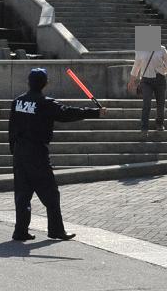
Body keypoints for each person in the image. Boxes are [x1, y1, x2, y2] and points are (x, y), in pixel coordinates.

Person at [8, 67, 105, 242]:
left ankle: (20, 231)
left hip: (20, 153)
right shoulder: (46, 103)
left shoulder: (17, 102)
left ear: (28, 82)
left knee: (22, 194)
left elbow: (11, 128)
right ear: (45, 83)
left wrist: (14, 151)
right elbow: (68, 113)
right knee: (51, 194)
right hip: (37, 153)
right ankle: (56, 230)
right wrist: (95, 112)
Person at [126, 44, 167, 139]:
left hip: (160, 79)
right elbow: (136, 65)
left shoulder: (161, 49)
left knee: (161, 103)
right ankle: (144, 128)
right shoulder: (140, 50)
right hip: (146, 80)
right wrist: (131, 80)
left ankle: (159, 123)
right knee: (146, 103)